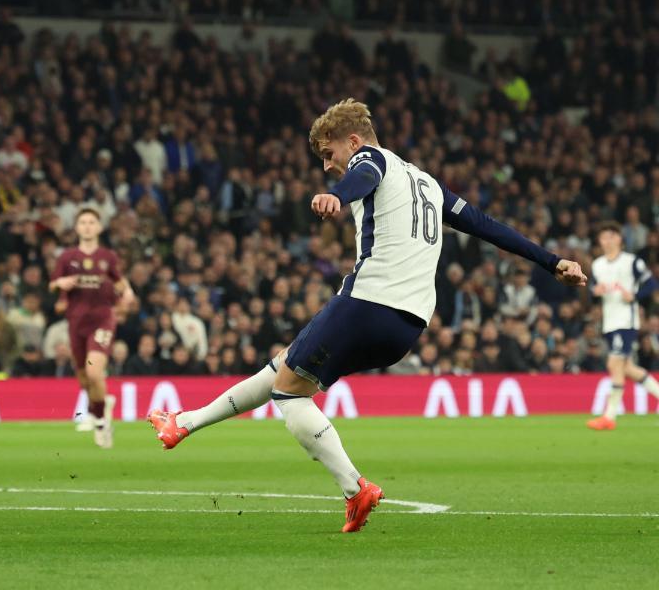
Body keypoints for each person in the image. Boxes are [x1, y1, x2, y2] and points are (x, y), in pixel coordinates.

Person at [147, 98, 586, 532]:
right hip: (407, 326)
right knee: (286, 366)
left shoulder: (370, 159)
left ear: (353, 141)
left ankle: (354, 488)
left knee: (290, 394)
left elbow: (363, 173)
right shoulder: (430, 185)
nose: (326, 165)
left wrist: (336, 196)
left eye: (328, 154)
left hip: (369, 301)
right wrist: (552, 261)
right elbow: (486, 224)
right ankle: (184, 423)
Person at [49, 208, 135, 448]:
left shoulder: (107, 256)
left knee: (95, 373)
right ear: (76, 227)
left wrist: (127, 292)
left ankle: (100, 422)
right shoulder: (67, 257)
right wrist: (60, 283)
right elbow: (52, 285)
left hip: (102, 319)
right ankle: (101, 406)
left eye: (92, 222)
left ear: (99, 227)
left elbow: (119, 281)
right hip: (76, 323)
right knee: (85, 379)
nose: (87, 226)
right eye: (83, 222)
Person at [586, 222, 659, 430]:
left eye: (611, 236)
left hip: (626, 320)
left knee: (613, 364)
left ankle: (609, 416)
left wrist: (634, 295)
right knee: (627, 368)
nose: (607, 241)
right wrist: (595, 292)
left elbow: (652, 284)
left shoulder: (631, 261)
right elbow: (593, 290)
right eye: (603, 237)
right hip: (609, 321)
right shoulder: (597, 264)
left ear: (619, 239)